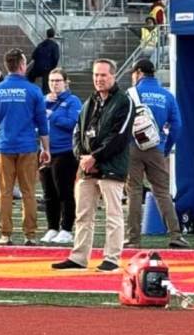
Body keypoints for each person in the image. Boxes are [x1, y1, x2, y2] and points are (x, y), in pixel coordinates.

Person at [52, 59, 134, 272]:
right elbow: (77, 133)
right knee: (83, 214)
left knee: (113, 215)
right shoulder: (89, 102)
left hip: (112, 168)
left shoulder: (124, 101)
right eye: (96, 75)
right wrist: (82, 157)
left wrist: (95, 157)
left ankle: (112, 258)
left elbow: (120, 137)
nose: (99, 79)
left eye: (103, 75)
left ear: (113, 76)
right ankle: (79, 256)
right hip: (87, 168)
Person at [0, 48, 51, 245]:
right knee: (28, 192)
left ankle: (5, 234)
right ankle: (30, 234)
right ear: (22, 65)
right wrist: (46, 149)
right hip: (28, 146)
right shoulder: (34, 91)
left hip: (4, 146)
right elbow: (42, 124)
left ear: (6, 66)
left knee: (5, 192)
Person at [124, 59, 187, 249]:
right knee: (161, 192)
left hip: (133, 147)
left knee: (134, 191)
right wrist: (165, 148)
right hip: (156, 148)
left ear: (139, 73)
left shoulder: (131, 94)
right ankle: (176, 235)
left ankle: (133, 238)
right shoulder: (167, 95)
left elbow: (121, 123)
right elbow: (177, 126)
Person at [40, 68, 82, 244]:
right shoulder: (44, 101)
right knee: (49, 192)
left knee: (64, 191)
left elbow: (73, 123)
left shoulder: (72, 101)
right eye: (51, 81)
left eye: (58, 80)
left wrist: (53, 116)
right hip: (45, 151)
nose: (54, 84)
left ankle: (66, 228)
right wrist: (44, 106)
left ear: (66, 82)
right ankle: (52, 227)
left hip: (64, 151)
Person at [27, 28, 61, 93]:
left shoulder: (41, 44)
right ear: (53, 35)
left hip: (37, 67)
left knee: (30, 77)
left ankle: (29, 90)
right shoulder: (54, 45)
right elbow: (56, 58)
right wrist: (53, 68)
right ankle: (44, 97)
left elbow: (34, 55)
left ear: (46, 35)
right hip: (47, 68)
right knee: (46, 86)